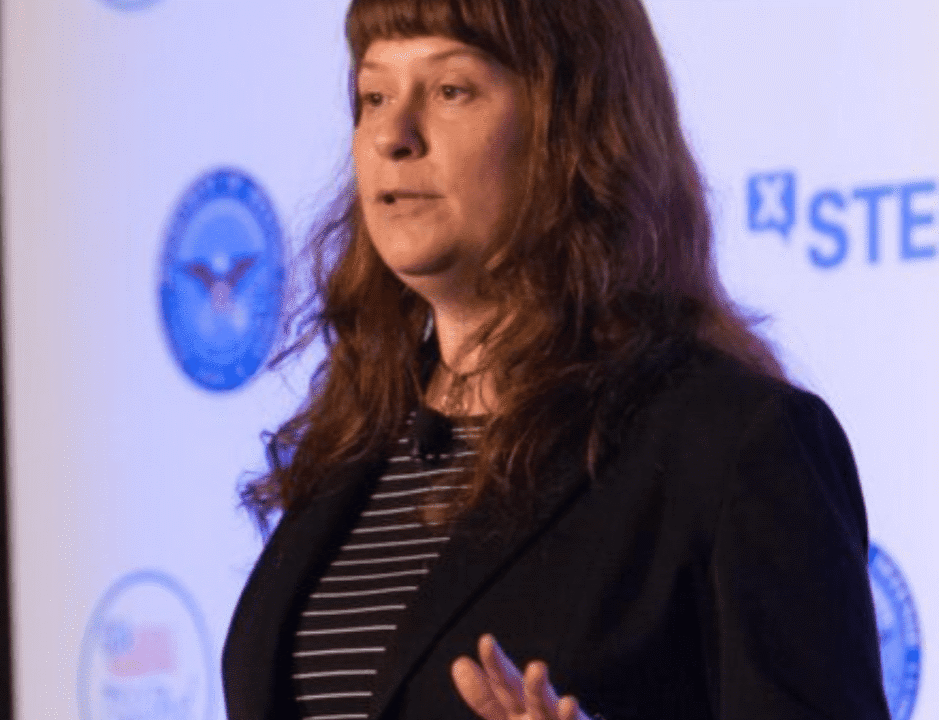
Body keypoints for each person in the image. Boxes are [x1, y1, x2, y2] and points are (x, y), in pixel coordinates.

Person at [223, 0, 890, 718]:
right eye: (373, 95)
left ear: (570, 126)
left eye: (451, 91)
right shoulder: (354, 448)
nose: (392, 133)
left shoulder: (732, 444)